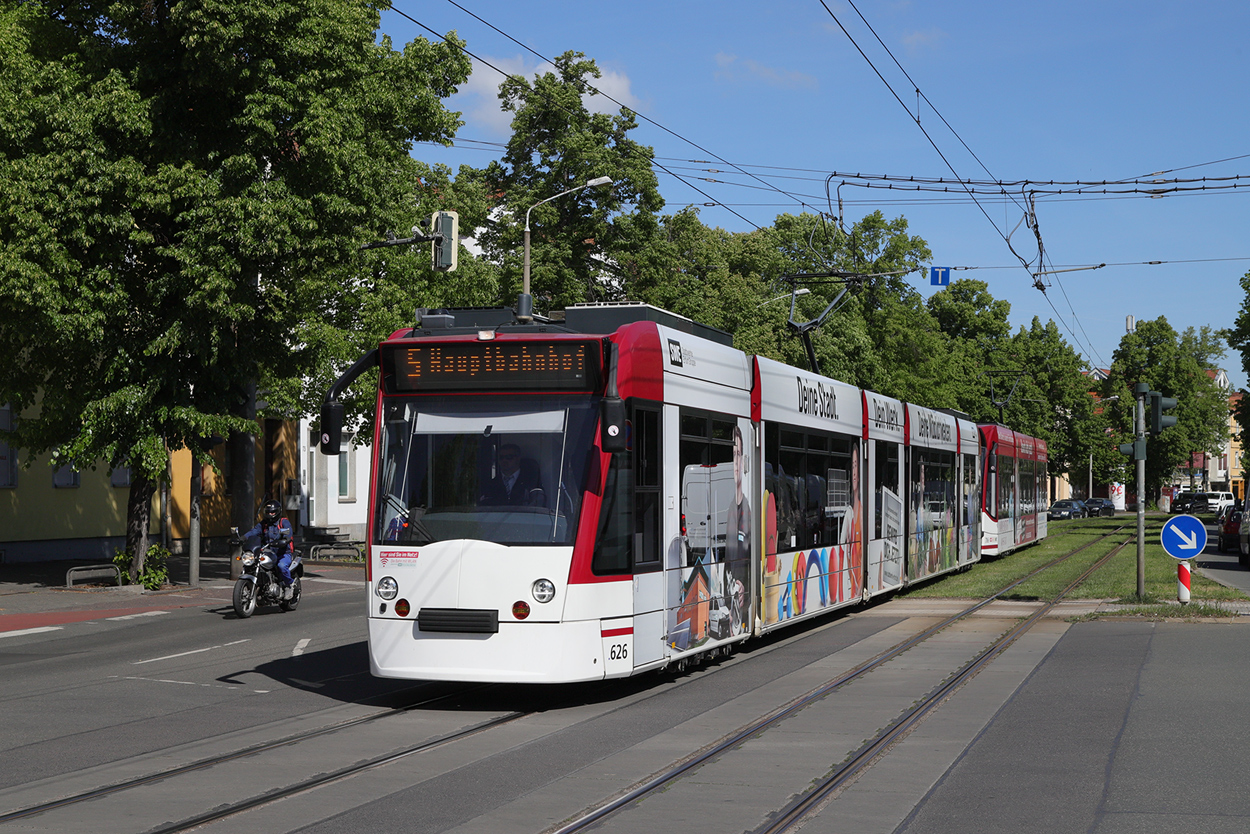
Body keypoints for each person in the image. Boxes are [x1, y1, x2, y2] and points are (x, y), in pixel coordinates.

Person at [243, 499, 295, 599]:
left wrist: (285, 539)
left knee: (282, 566)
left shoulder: (283, 522)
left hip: (283, 552)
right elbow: (254, 531)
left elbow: (288, 532)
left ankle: (289, 585)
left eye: (273, 512)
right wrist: (243, 538)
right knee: (254, 563)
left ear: (277, 511)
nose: (271, 514)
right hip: (267, 552)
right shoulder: (264, 524)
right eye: (268, 512)